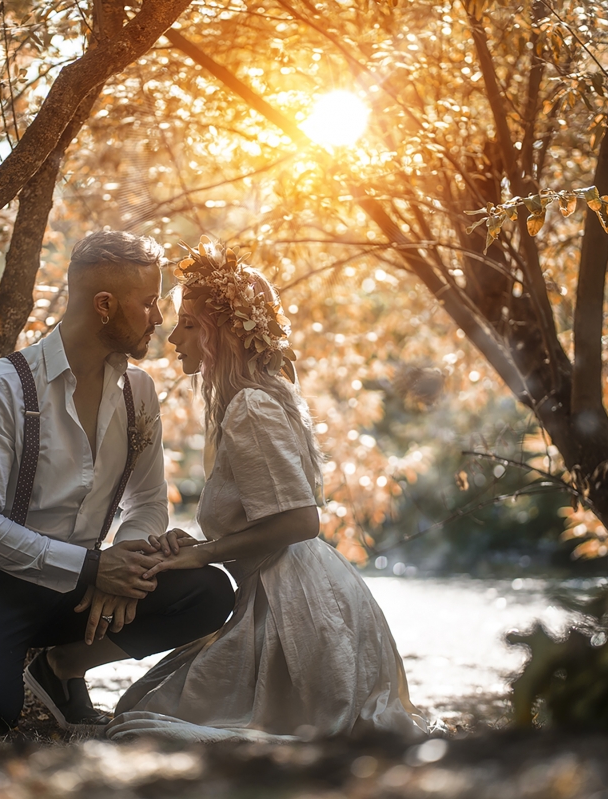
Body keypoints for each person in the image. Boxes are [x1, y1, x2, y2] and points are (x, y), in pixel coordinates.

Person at [0, 231, 235, 735]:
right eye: (148, 302)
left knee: (208, 592)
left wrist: (128, 563)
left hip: (82, 582)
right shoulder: (0, 389)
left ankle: (62, 668)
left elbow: (145, 499)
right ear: (104, 305)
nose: (159, 318)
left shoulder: (138, 392)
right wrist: (94, 566)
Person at [106, 238, 425, 742]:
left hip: (293, 607)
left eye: (188, 325)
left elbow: (300, 521)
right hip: (280, 593)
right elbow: (264, 520)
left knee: (145, 721)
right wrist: (197, 546)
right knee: (139, 707)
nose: (173, 339)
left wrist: (203, 555)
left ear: (222, 336)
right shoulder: (258, 398)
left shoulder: (250, 407)